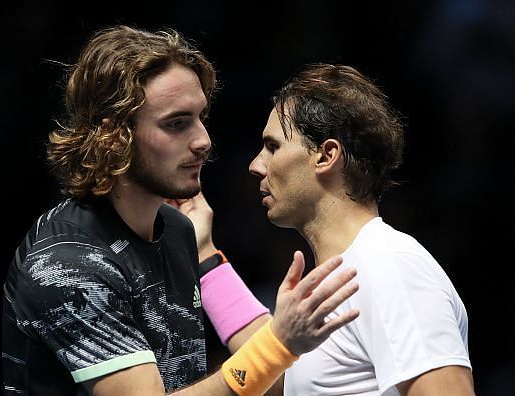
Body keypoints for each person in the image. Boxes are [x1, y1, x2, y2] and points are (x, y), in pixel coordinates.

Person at [1, 26, 361, 396]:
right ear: (113, 136)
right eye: (176, 123)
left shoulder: (177, 230)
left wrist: (207, 255)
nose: (203, 140)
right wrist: (277, 344)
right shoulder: (65, 265)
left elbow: (275, 384)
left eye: (200, 116)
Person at [174, 64, 475, 395]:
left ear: (326, 155)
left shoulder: (390, 266)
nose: (256, 165)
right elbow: (278, 377)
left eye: (273, 146)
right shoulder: (346, 277)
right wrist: (204, 252)